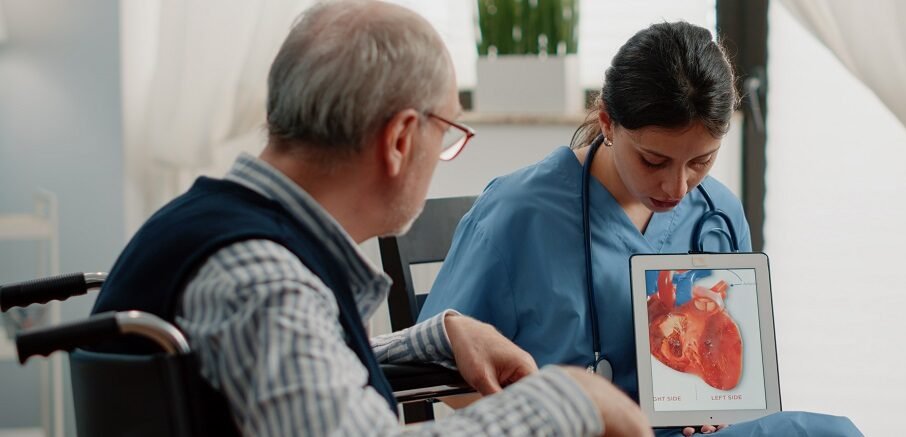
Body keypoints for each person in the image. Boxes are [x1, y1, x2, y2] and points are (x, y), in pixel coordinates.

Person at [89, 1, 651, 436]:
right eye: (448, 133)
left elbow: (296, 371)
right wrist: (571, 398)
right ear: (401, 138)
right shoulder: (262, 281)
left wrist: (436, 337)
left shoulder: (211, 229)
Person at [418, 20, 861, 437]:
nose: (677, 186)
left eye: (701, 162)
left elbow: (733, 381)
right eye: (654, 160)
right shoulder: (517, 214)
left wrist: (714, 413)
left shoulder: (719, 213)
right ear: (608, 121)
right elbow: (446, 374)